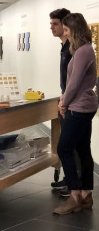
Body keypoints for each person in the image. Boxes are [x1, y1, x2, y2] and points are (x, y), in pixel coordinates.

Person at [53, 13, 98, 214]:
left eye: (68, 29)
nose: (66, 32)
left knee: (64, 149)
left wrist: (64, 103)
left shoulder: (82, 52)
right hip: (83, 106)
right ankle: (87, 196)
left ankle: (74, 196)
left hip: (78, 108)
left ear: (75, 30)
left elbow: (74, 83)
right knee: (82, 149)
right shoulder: (84, 49)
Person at [50, 8, 82, 197]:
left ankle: (75, 184)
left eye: (56, 24)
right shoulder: (64, 47)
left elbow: (75, 80)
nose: (52, 28)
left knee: (72, 145)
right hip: (66, 98)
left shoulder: (74, 48)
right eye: (51, 24)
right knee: (68, 145)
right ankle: (70, 180)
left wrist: (66, 100)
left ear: (65, 25)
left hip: (72, 103)